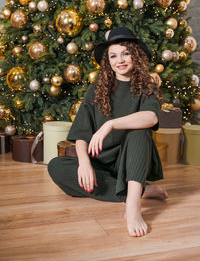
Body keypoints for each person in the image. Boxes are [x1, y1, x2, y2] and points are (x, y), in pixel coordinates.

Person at [48, 27, 168, 237]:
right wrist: (84, 164)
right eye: (113, 55)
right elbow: (81, 134)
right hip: (99, 162)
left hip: (130, 160)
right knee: (56, 167)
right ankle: (141, 189)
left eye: (125, 53)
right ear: (108, 61)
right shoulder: (96, 89)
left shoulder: (147, 87)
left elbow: (151, 117)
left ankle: (132, 206)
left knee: (139, 131)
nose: (119, 60)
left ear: (136, 56)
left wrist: (110, 124)